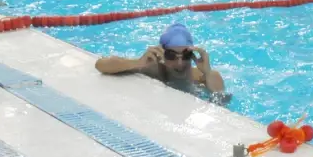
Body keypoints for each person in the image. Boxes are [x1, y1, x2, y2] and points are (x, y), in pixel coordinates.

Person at [94, 23, 226, 94]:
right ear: (161, 53)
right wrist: (138, 62)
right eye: (171, 56)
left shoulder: (201, 77)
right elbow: (100, 65)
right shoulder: (152, 70)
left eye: (186, 56)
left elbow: (222, 104)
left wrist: (208, 72)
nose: (179, 63)